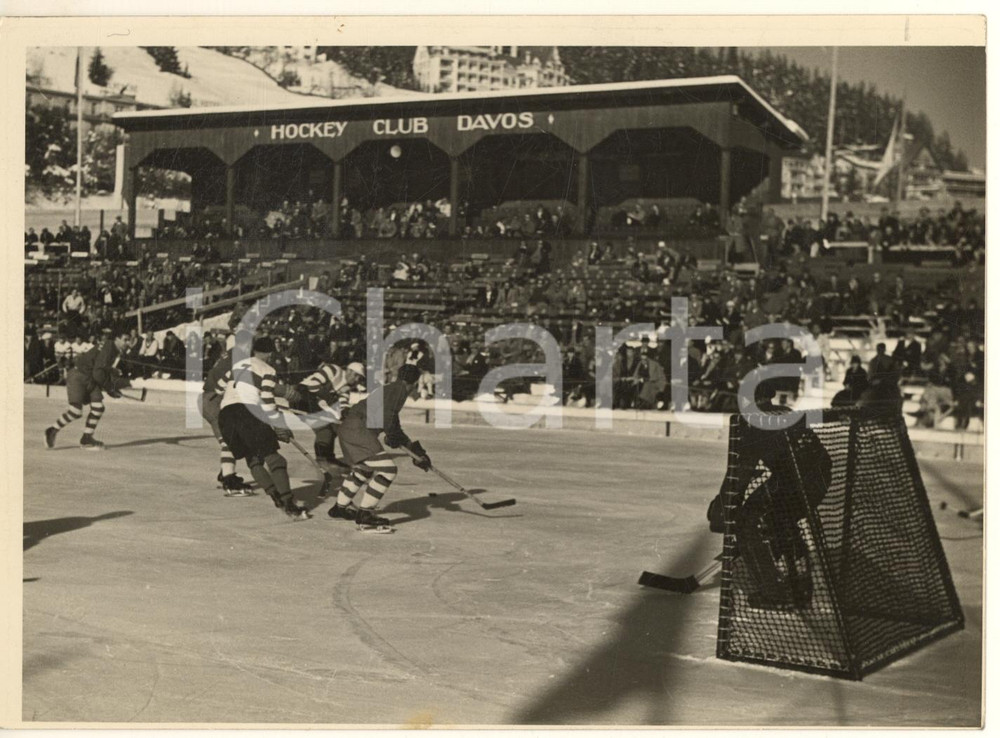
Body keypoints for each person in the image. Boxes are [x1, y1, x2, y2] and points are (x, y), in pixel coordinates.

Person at [326, 363, 431, 533]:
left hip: (349, 429)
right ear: (412, 382)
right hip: (358, 430)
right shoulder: (399, 390)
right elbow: (389, 421)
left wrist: (414, 450)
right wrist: (393, 436)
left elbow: (393, 424)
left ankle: (340, 507)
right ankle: (365, 514)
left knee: (364, 470)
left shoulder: (391, 389)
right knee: (388, 470)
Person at [217, 336, 309, 520]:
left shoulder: (238, 365)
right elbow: (267, 401)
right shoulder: (268, 369)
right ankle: (289, 503)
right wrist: (278, 425)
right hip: (247, 413)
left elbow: (220, 388)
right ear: (269, 353)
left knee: (253, 460)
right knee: (275, 460)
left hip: (225, 415)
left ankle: (276, 496)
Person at [44, 329, 132, 451]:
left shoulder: (112, 348)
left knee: (98, 407)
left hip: (90, 378)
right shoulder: (109, 348)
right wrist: (110, 389)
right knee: (75, 411)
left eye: (129, 340)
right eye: (125, 340)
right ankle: (52, 430)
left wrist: (112, 372)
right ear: (116, 339)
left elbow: (99, 366)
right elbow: (98, 373)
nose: (128, 342)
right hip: (79, 376)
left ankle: (86, 439)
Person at [294, 359, 366, 491]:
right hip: (301, 397)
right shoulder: (334, 369)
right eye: (356, 376)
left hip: (315, 403)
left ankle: (327, 457)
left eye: (359, 378)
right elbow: (313, 385)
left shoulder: (346, 388)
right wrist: (330, 398)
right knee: (324, 427)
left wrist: (345, 412)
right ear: (349, 371)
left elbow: (343, 404)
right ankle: (323, 459)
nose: (357, 380)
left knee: (333, 428)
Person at [200, 339, 255, 496]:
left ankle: (225, 473)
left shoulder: (231, 352)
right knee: (229, 440)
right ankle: (229, 481)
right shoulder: (241, 358)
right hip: (214, 400)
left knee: (233, 438)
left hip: (209, 398)